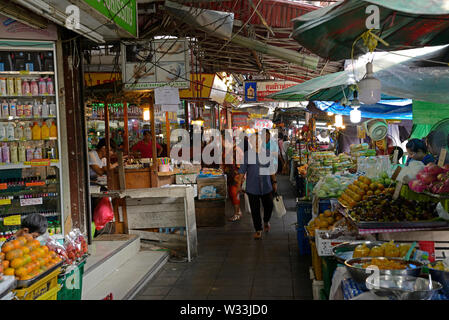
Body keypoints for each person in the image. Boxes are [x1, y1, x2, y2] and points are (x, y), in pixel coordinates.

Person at [236, 130, 277, 240]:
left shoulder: (267, 153)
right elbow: (241, 171)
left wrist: (274, 182)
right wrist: (239, 185)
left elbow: (272, 169)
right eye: (255, 141)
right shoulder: (247, 155)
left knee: (269, 206)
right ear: (251, 142)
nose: (257, 143)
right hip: (252, 187)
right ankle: (258, 229)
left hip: (266, 186)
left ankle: (266, 221)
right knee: (255, 209)